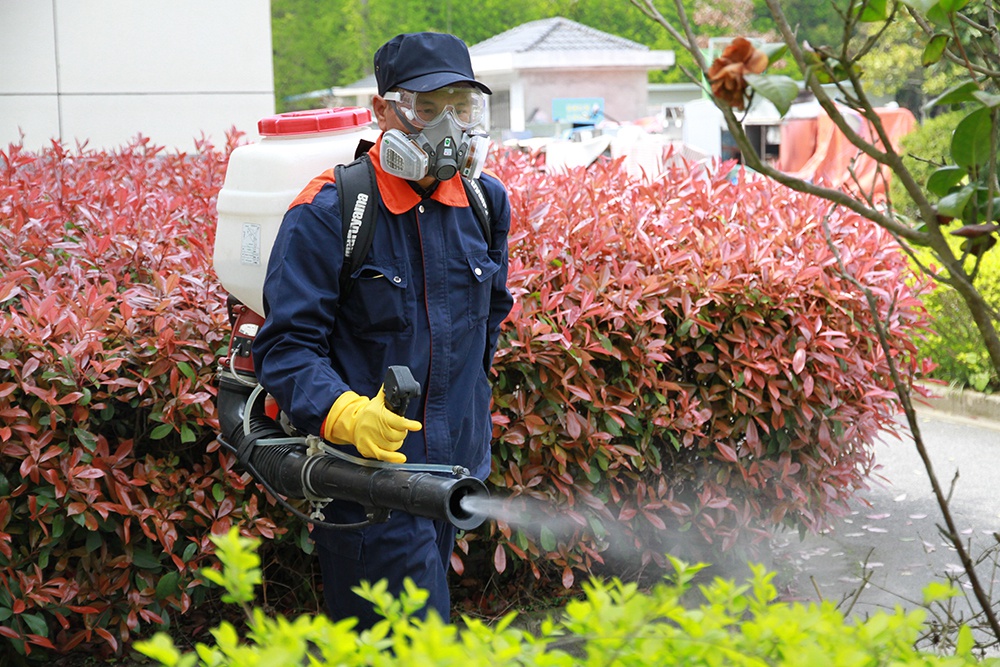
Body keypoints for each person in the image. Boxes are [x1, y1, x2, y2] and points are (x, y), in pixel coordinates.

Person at [251, 31, 513, 629]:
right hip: (373, 487)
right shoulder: (330, 212)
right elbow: (286, 348)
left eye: (461, 106)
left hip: (454, 476)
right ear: (382, 112)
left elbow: (486, 325)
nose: (448, 125)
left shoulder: (483, 202)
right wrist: (345, 414)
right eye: (427, 107)